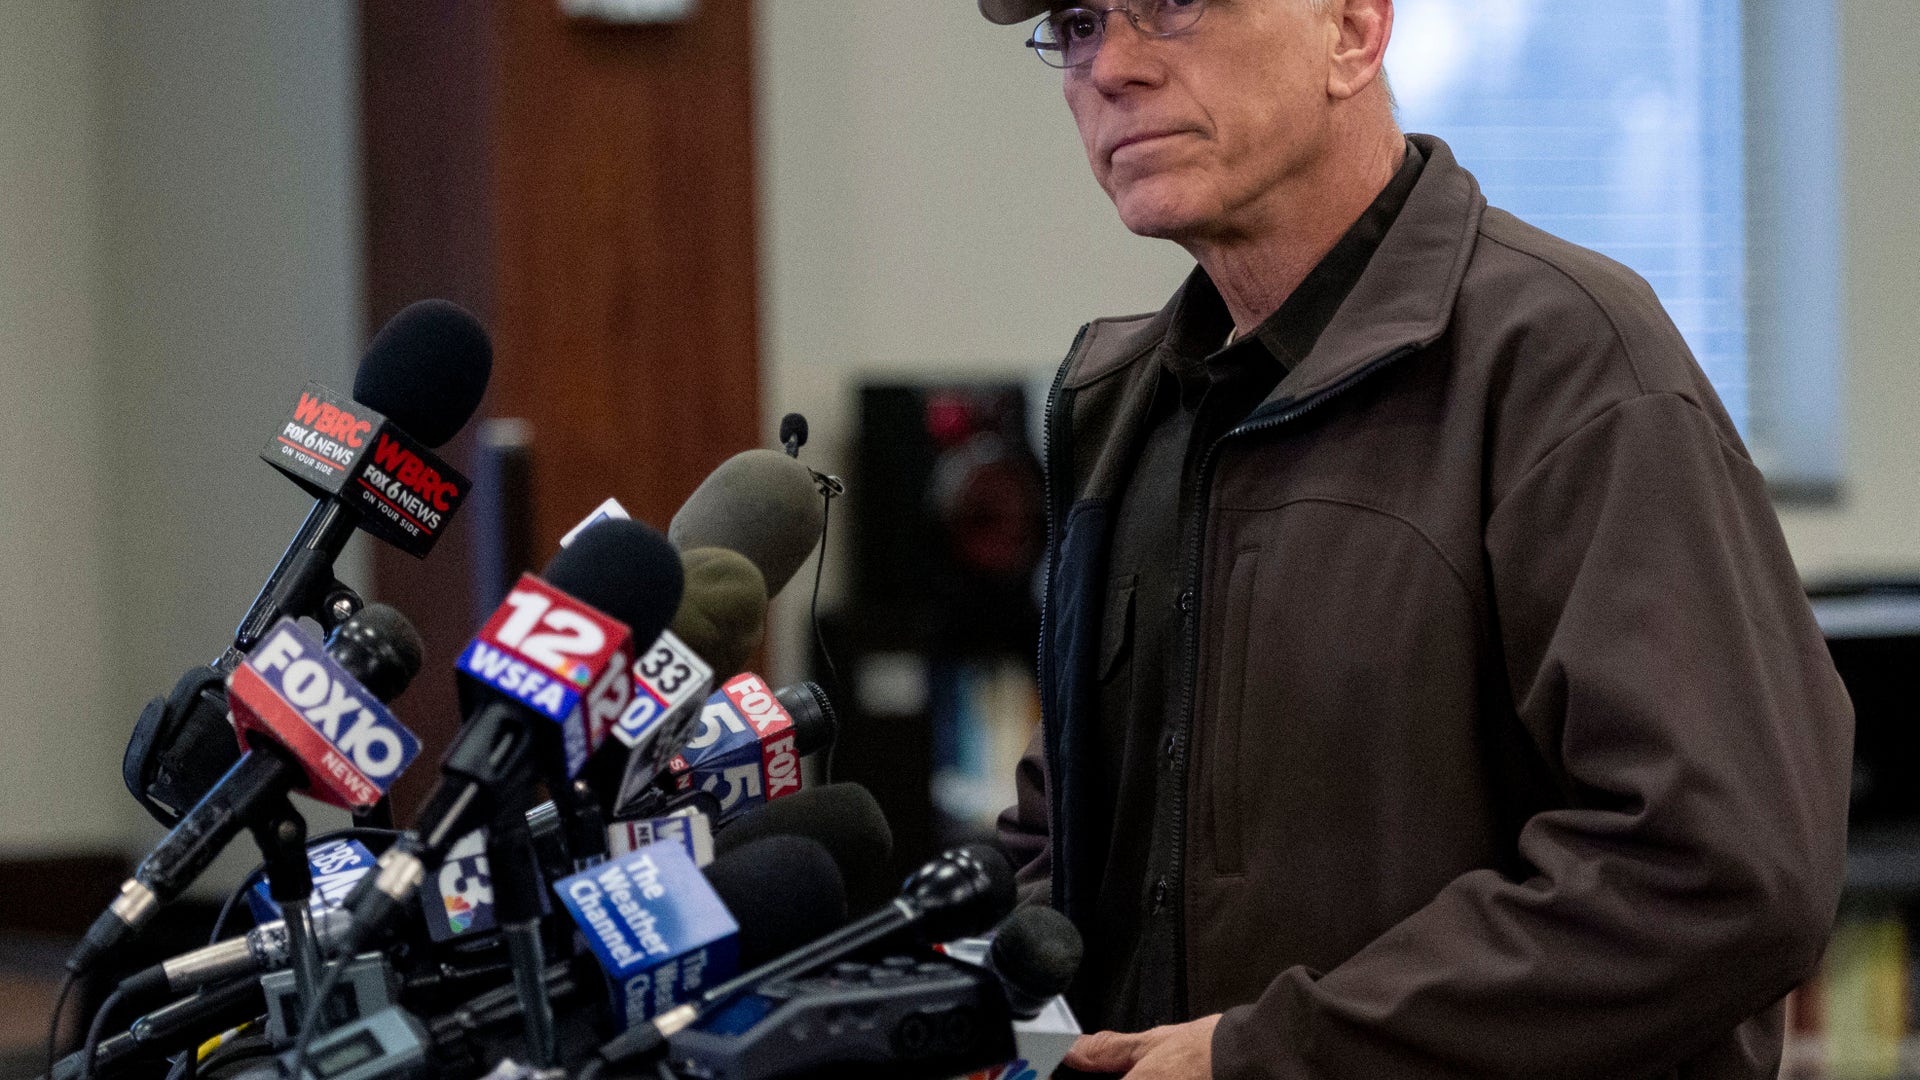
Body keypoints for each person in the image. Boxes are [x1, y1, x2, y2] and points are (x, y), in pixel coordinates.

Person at [979, 1, 1855, 1077]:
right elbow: (1065, 854)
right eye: (1074, 21)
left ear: (1351, 29)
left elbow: (1723, 873)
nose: (1109, 66)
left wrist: (1278, 1056)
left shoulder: (1573, 364)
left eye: (1170, 3)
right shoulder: (1124, 410)